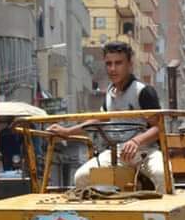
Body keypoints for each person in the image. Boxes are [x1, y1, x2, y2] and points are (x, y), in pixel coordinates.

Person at [48, 42, 165, 192]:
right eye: (109, 64)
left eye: (118, 63)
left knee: (162, 174)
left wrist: (136, 141)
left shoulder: (142, 91)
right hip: (117, 153)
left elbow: (158, 128)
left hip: (145, 152)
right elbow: (98, 120)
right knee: (81, 177)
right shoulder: (109, 93)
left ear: (130, 64)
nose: (113, 69)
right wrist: (67, 132)